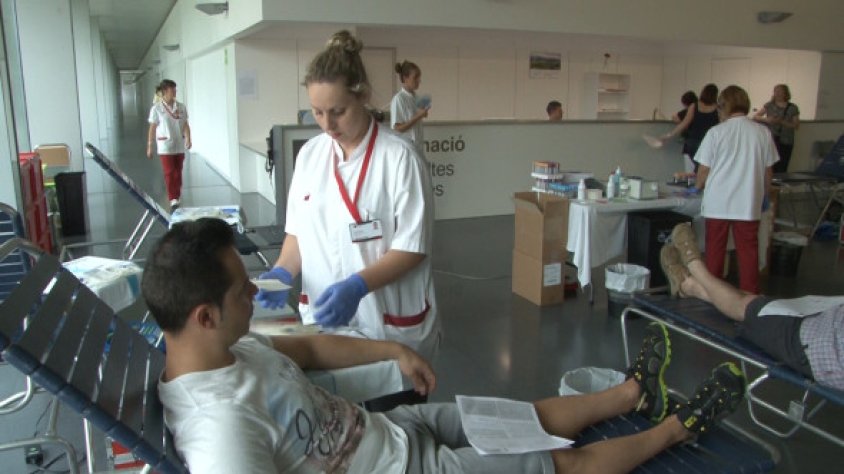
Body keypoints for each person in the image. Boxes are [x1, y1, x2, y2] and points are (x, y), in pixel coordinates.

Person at [143, 217, 748, 474]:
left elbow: (311, 352)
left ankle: (632, 393)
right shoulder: (221, 432)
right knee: (558, 465)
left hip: (392, 432)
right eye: (243, 290)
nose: (257, 291)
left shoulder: (233, 348)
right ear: (204, 315)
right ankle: (678, 429)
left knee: (522, 417)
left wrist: (393, 353)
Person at [257, 31, 438, 410]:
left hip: (385, 324)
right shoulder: (310, 156)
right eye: (317, 112)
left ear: (363, 95)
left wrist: (357, 286)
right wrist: (281, 272)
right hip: (325, 326)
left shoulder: (400, 158)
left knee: (394, 429)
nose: (327, 124)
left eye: (338, 111)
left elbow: (412, 247)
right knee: (340, 429)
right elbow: (298, 232)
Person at [660, 223, 844, 390]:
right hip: (828, 323)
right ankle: (689, 286)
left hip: (815, 345)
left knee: (749, 306)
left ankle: (695, 267)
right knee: (761, 302)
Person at [692, 85, 778, 294]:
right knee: (748, 252)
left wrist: (697, 187)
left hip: (718, 202)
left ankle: (713, 294)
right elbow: (768, 172)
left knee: (715, 251)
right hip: (748, 202)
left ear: (723, 107)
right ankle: (749, 297)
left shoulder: (716, 133)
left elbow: (703, 170)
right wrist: (765, 195)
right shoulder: (762, 133)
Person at [146, 79, 192, 211]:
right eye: (172, 89)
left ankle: (177, 195)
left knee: (178, 172)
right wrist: (150, 145)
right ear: (165, 91)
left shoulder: (181, 107)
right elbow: (152, 128)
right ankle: (173, 198)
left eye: (175, 89)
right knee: (169, 172)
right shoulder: (157, 108)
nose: (175, 91)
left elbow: (185, 124)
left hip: (179, 144)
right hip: (165, 146)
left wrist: (188, 138)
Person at [662, 84, 719, 173]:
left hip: (692, 144)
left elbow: (684, 124)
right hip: (709, 145)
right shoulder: (718, 109)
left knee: (691, 173)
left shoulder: (694, 106)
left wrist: (669, 135)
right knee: (706, 172)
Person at [754, 84, 800, 173]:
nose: (777, 94)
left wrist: (781, 122)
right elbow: (756, 117)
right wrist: (767, 120)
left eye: (780, 91)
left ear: (785, 93)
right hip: (771, 140)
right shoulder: (769, 105)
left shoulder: (793, 108)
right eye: (775, 91)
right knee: (770, 165)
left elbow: (796, 125)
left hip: (786, 141)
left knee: (783, 166)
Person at [391, 60, 430, 155]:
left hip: (418, 149)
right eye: (415, 77)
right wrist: (418, 116)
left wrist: (423, 114)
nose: (419, 81)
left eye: (419, 77)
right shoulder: (399, 99)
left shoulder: (417, 98)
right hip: (405, 151)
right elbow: (397, 129)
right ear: (405, 78)